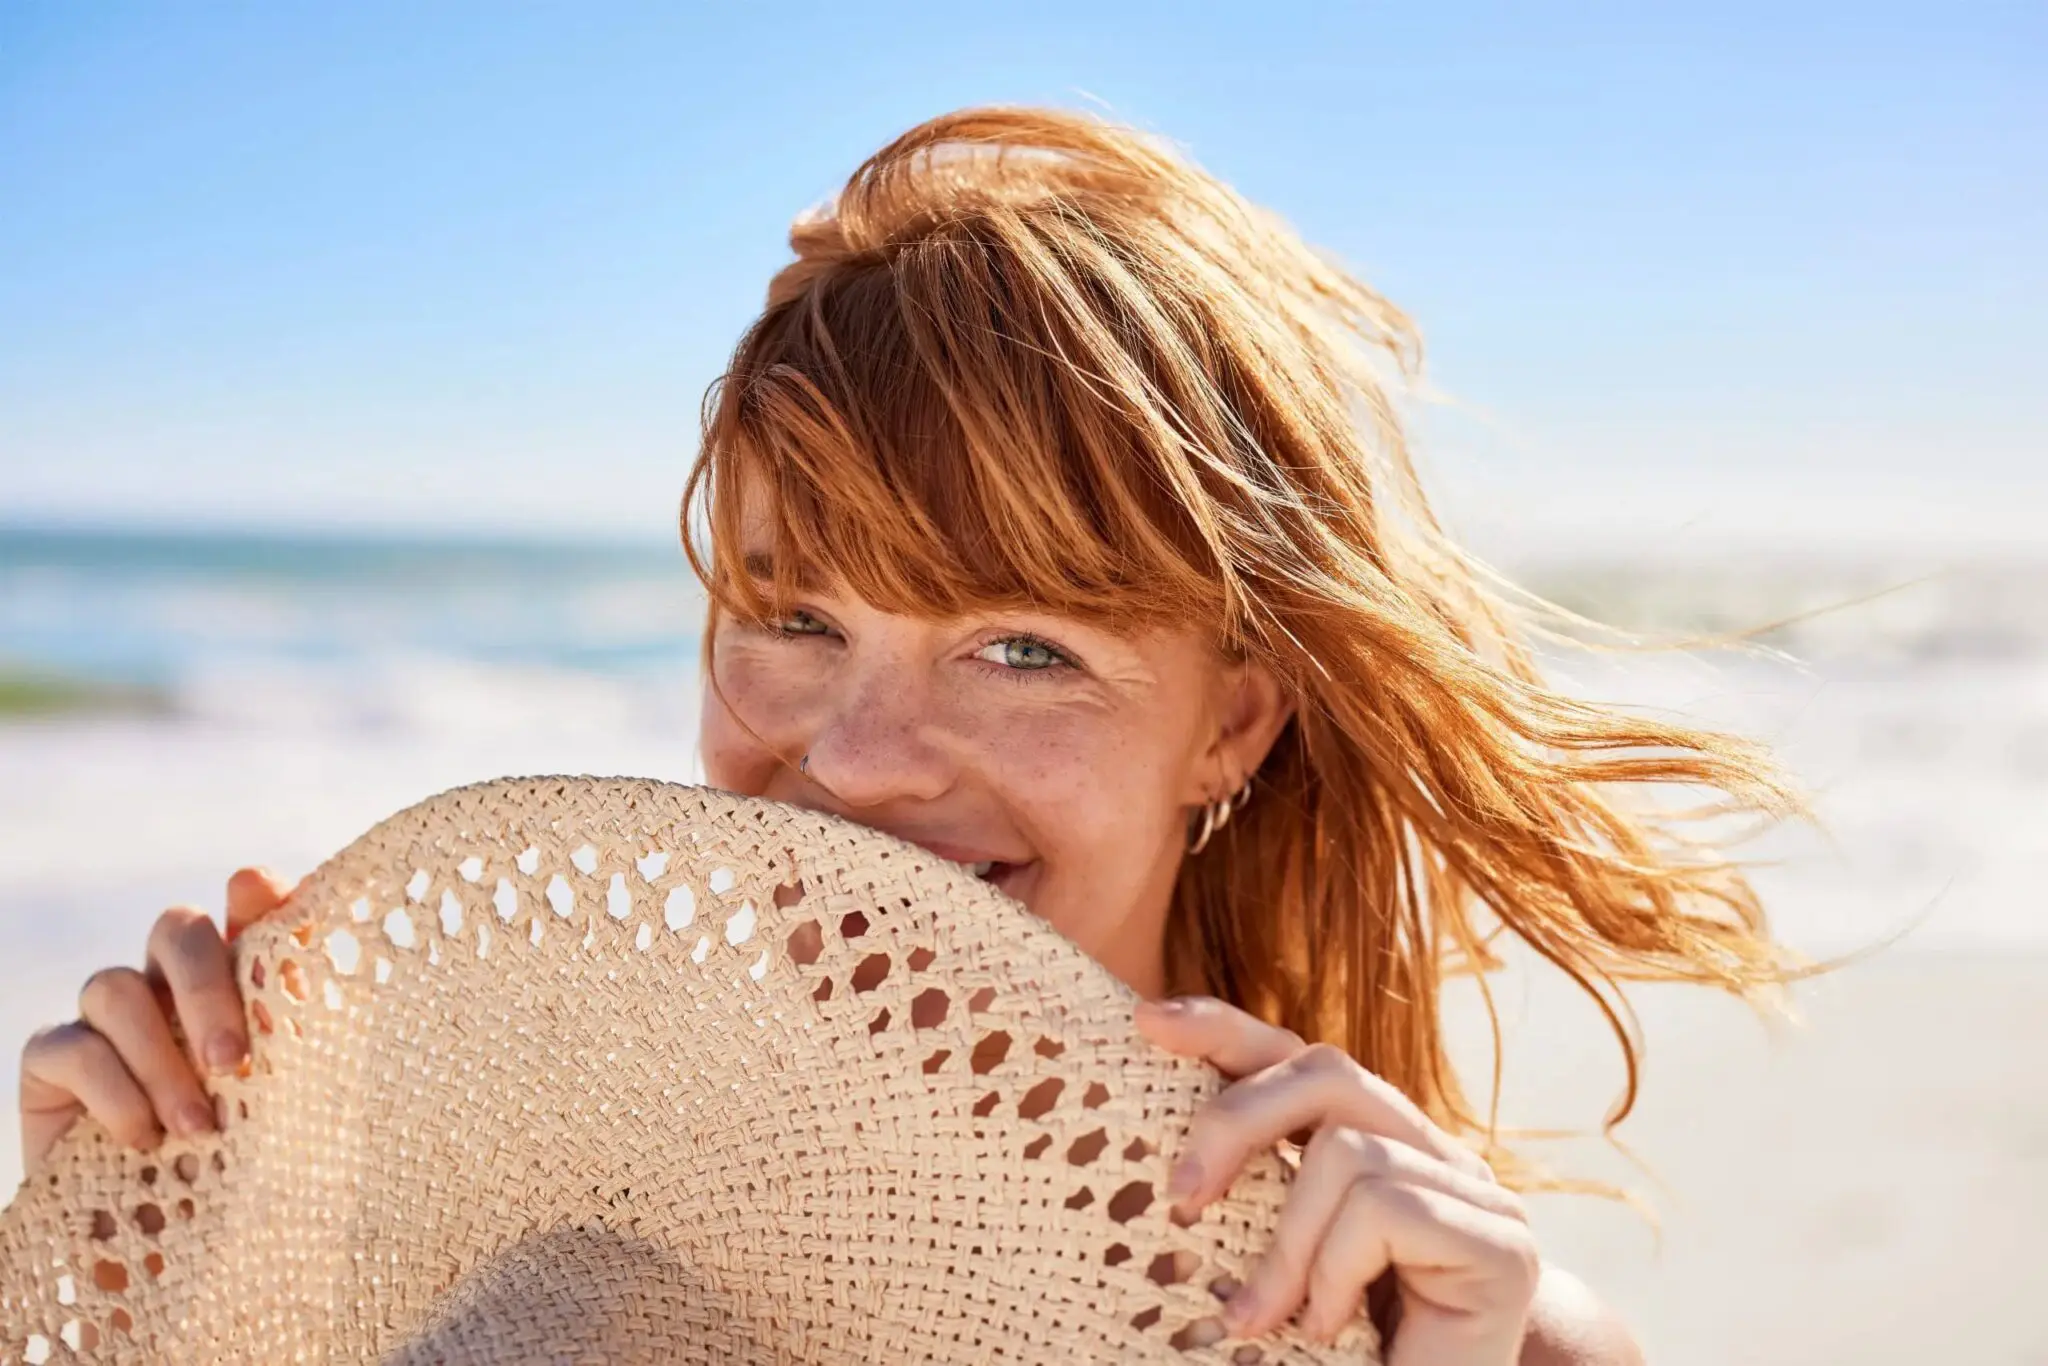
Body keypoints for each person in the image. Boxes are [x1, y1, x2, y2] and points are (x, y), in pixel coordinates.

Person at [15, 107, 1808, 1364]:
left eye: (1024, 647)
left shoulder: (1455, 1331)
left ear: (1234, 721)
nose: (862, 759)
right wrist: (136, 1244)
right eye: (797, 621)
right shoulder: (477, 1215)